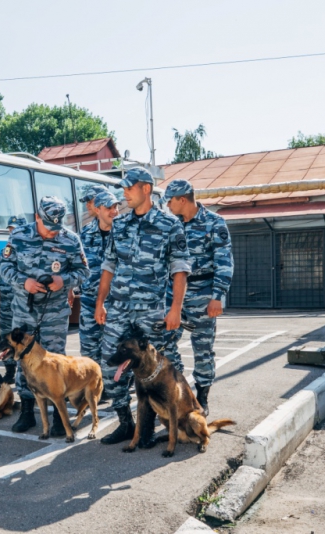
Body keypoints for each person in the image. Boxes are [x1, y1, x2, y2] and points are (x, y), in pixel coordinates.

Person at [94, 168, 191, 445]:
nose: (124, 193)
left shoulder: (169, 225)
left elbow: (180, 269)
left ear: (146, 188)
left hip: (151, 309)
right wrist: (101, 302)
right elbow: (109, 266)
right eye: (123, 188)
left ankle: (165, 423)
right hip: (120, 308)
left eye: (129, 188)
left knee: (158, 369)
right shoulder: (120, 225)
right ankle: (126, 423)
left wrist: (175, 309)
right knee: (109, 366)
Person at [0, 196, 90, 434]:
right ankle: (27, 412)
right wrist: (24, 282)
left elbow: (84, 271)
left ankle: (59, 417)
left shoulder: (70, 240)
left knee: (56, 362)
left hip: (55, 312)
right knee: (24, 361)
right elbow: (4, 267)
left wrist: (64, 281)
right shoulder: (18, 236)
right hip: (24, 310)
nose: (53, 233)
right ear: (37, 217)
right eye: (49, 227)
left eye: (57, 228)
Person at [161, 179, 233, 416]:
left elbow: (224, 262)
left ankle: (202, 398)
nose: (167, 205)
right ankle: (178, 387)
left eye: (170, 201)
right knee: (165, 342)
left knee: (202, 348)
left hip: (203, 293)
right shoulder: (172, 225)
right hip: (175, 295)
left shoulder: (214, 223)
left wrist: (218, 296)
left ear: (183, 199)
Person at [79, 191, 119, 386]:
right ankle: (93, 389)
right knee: (89, 349)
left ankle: (115, 387)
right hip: (89, 301)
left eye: (116, 207)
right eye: (109, 208)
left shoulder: (124, 233)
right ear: (98, 210)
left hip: (117, 302)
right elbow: (76, 264)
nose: (114, 211)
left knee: (115, 348)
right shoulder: (85, 234)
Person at [0, 215, 28, 384]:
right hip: (6, 302)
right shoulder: (4, 251)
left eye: (14, 230)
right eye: (10, 230)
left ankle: (25, 372)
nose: (11, 233)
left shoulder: (28, 251)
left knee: (21, 337)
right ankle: (9, 372)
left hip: (21, 302)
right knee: (6, 336)